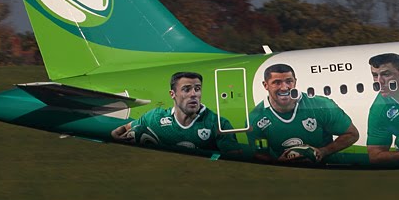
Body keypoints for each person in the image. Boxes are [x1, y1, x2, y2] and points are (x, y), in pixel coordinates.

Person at [247, 63, 360, 164]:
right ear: (265, 85)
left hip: (327, 171)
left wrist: (323, 151)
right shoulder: (256, 119)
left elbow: (352, 134)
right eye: (277, 83)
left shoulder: (321, 105)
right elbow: (260, 154)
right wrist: (280, 163)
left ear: (295, 82)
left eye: (289, 81)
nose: (284, 87)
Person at [111, 71, 240, 155]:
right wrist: (115, 135)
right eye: (186, 89)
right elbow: (124, 128)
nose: (194, 94)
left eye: (197, 89)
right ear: (173, 94)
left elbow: (236, 163)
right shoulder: (156, 118)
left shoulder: (218, 124)